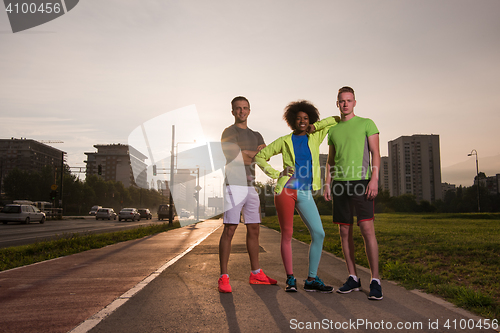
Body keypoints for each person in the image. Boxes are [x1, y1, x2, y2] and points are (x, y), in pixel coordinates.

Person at [255, 100, 338, 293]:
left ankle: (311, 279)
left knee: (319, 233)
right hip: (286, 191)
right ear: (292, 120)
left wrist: (315, 126)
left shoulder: (315, 136)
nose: (302, 121)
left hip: (305, 192)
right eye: (299, 118)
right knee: (288, 234)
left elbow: (334, 120)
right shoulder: (284, 141)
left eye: (306, 118)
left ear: (310, 120)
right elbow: (259, 157)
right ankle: (290, 279)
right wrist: (277, 174)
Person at [324, 86, 383, 300]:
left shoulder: (367, 123)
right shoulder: (333, 130)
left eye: (349, 100)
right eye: (341, 101)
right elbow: (331, 160)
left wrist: (374, 179)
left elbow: (376, 153)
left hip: (361, 181)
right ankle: (353, 277)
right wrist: (327, 183)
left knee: (367, 230)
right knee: (344, 232)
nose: (345, 104)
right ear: (337, 103)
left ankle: (375, 280)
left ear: (355, 102)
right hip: (339, 183)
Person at [218, 96, 277, 293]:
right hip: (234, 185)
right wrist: (254, 153)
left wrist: (250, 153)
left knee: (254, 229)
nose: (241, 111)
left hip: (251, 187)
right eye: (238, 108)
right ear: (233, 111)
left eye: (245, 108)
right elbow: (236, 158)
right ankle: (224, 277)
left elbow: (264, 157)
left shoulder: (257, 135)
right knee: (230, 229)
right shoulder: (228, 132)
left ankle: (256, 273)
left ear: (249, 111)